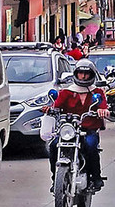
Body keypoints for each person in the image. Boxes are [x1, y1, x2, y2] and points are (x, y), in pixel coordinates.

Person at [43, 60, 107, 190]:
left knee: (91, 146)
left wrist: (102, 110)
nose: (83, 76)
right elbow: (57, 105)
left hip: (89, 129)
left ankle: (96, 177)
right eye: (80, 73)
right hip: (69, 129)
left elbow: (103, 105)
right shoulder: (67, 92)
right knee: (54, 146)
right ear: (75, 74)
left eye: (86, 74)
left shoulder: (97, 92)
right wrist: (49, 109)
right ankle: (55, 179)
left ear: (92, 75)